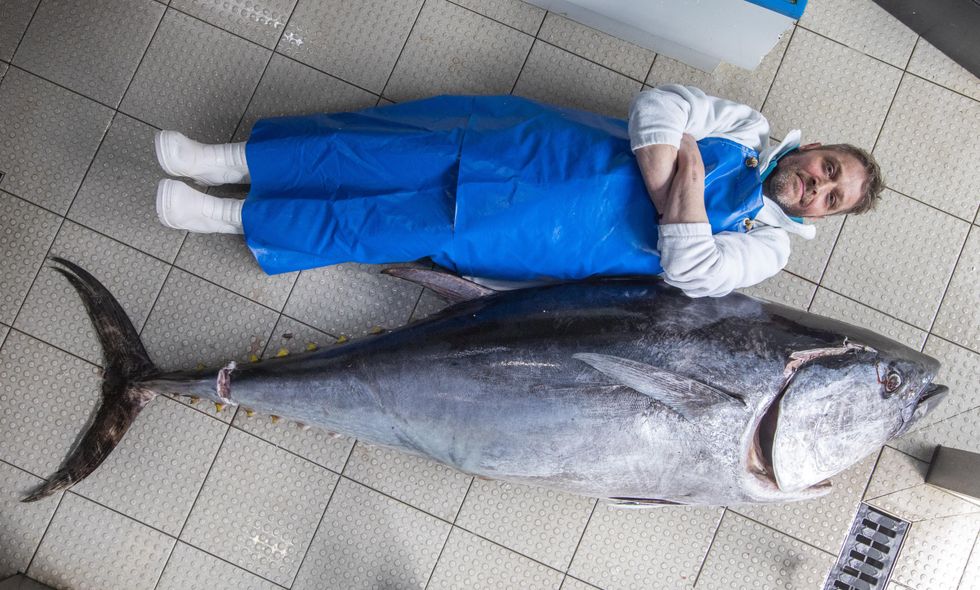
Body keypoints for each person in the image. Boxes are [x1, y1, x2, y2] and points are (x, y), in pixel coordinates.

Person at [153, 85, 882, 297]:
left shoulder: (766, 249)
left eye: (831, 198)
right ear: (813, 149)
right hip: (521, 144)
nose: (816, 187)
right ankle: (222, 159)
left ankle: (221, 213)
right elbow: (659, 107)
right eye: (828, 170)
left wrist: (686, 172)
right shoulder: (748, 127)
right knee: (367, 150)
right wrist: (676, 201)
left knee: (370, 226)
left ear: (821, 216)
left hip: (524, 236)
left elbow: (693, 272)